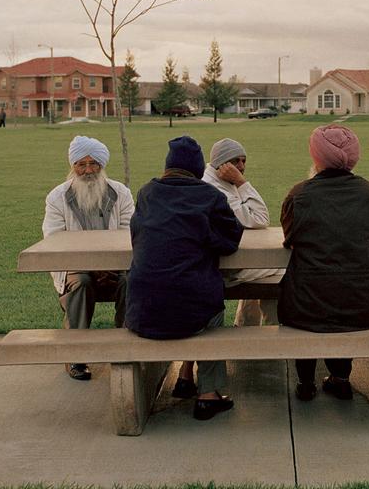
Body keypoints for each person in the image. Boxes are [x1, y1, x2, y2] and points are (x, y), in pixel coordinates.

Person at [126, 136, 245, 420]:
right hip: (193, 309)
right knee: (211, 308)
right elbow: (230, 241)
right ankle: (209, 394)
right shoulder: (209, 196)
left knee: (191, 296)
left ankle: (185, 375)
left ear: (168, 166)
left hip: (143, 311)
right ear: (196, 167)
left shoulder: (147, 193)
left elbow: (137, 234)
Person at [279, 125, 369, 401]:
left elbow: (290, 237)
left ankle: (306, 381)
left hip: (307, 305)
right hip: (364, 303)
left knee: (314, 296)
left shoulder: (299, 195)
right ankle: (340, 377)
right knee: (344, 291)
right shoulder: (368, 193)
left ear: (316, 157)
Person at [41, 135, 136, 381]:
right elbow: (54, 240)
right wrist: (92, 266)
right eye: (81, 164)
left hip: (117, 264)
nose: (88, 171)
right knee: (81, 283)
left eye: (94, 164)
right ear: (72, 166)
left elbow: (130, 235)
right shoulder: (57, 197)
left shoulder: (120, 193)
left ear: (102, 166)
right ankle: (77, 356)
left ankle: (125, 346)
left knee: (132, 280)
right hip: (74, 266)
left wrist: (108, 264)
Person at [203, 137, 282, 326]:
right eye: (235, 161)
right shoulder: (216, 190)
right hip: (222, 270)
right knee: (282, 267)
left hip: (225, 263)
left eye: (243, 161)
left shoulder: (221, 183)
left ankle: (247, 325)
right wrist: (241, 181)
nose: (241, 166)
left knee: (266, 268)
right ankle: (272, 327)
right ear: (220, 165)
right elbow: (260, 218)